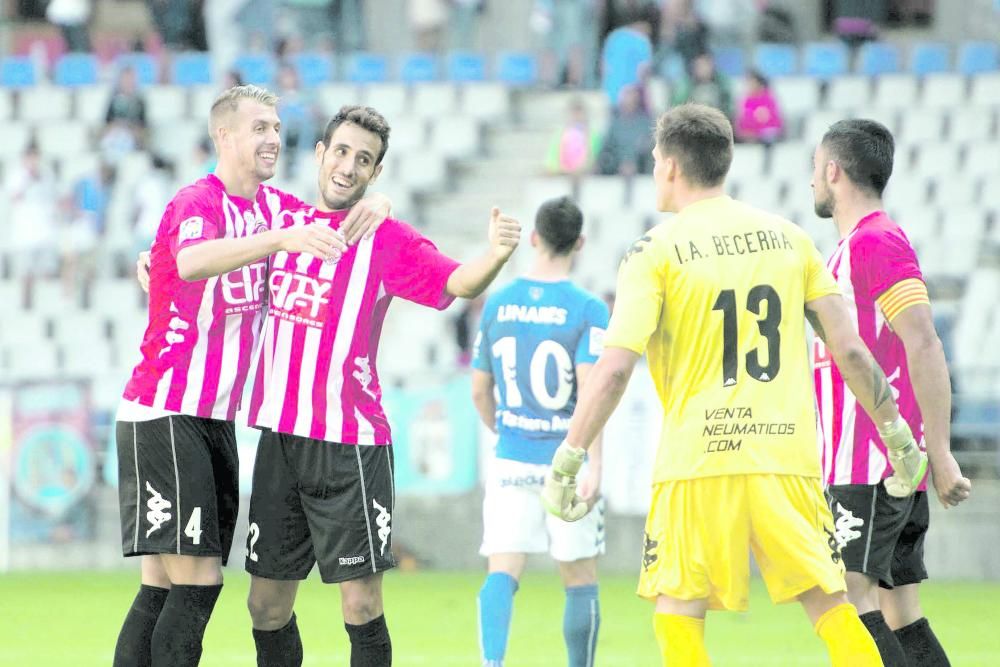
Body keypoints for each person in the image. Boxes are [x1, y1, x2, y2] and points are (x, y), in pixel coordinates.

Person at [541, 103, 926, 666]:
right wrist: (896, 436)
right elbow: (849, 349)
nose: (653, 172)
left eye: (653, 161)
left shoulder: (653, 251)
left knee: (678, 613)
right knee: (831, 604)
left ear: (671, 166)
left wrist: (569, 459)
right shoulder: (791, 240)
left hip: (698, 459)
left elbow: (616, 369)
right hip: (785, 456)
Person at [114, 85, 389, 667]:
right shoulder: (199, 202)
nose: (272, 138)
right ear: (224, 135)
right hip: (166, 409)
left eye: (276, 127)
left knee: (162, 587)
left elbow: (334, 216)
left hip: (217, 421)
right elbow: (189, 261)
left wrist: (379, 204)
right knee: (198, 585)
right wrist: (279, 239)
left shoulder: (273, 208)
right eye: (259, 127)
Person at [241, 105, 522, 667]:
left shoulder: (385, 239)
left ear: (376, 173)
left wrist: (494, 254)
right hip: (281, 440)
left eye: (363, 160)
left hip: (352, 445)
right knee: (265, 606)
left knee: (362, 603)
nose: (348, 166)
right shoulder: (278, 219)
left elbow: (457, 282)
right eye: (341, 152)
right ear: (320, 155)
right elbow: (214, 235)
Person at [810, 119, 973, 666]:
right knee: (900, 610)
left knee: (850, 605)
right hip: (875, 463)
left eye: (816, 168)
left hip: (871, 463)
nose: (812, 181)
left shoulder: (877, 241)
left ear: (833, 171)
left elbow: (924, 341)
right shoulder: (847, 250)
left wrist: (941, 452)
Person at [470, 196, 609, 667]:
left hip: (511, 455)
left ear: (533, 238)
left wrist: (505, 429)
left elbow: (479, 391)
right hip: (566, 461)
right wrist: (595, 462)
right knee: (579, 575)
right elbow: (593, 393)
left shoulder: (498, 304)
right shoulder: (588, 308)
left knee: (502, 571)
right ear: (580, 243)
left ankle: (492, 663)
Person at [671, 52, 732, 118]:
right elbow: (678, 107)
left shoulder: (722, 83)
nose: (703, 69)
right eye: (699, 66)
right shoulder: (686, 85)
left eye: (706, 65)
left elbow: (728, 106)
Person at [735, 70, 783, 144]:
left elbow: (772, 123)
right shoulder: (747, 100)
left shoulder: (768, 99)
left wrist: (755, 131)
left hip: (765, 137)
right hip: (748, 136)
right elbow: (742, 122)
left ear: (758, 83)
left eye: (751, 82)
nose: (748, 85)